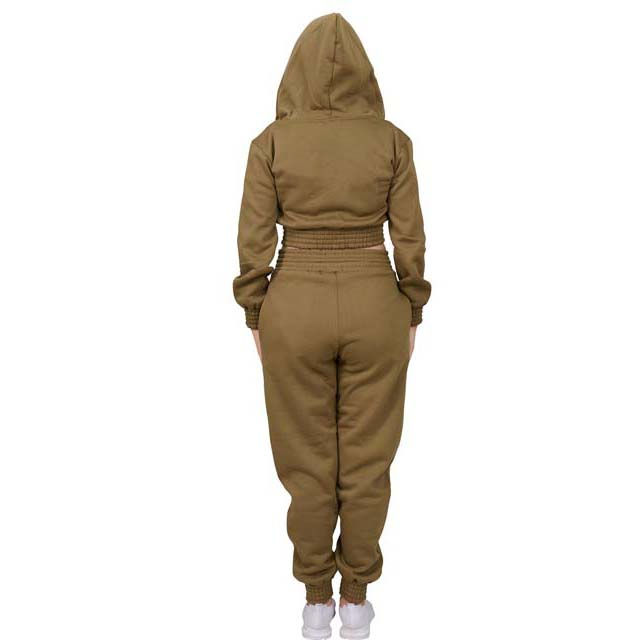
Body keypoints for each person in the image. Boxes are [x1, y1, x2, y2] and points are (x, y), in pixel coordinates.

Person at [232, 13, 431, 639]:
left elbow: (254, 238)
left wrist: (256, 310)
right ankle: (357, 601)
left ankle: (316, 601)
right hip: (375, 298)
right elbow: (410, 236)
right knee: (369, 459)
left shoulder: (270, 142)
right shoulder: (392, 141)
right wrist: (411, 305)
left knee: (306, 459)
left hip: (294, 300)